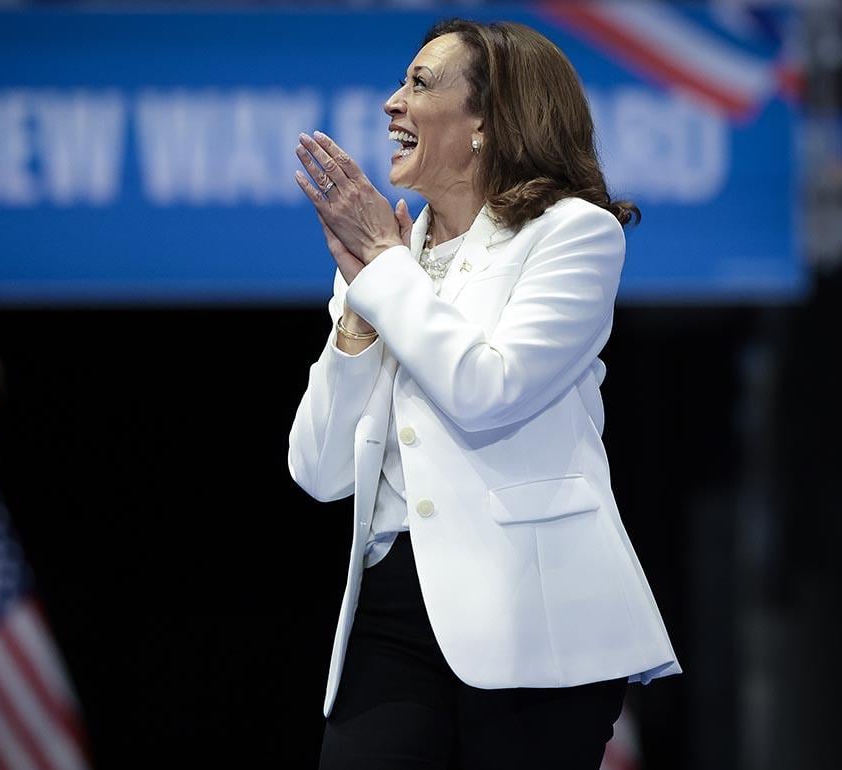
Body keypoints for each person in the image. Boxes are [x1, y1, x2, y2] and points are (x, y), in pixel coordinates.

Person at [287, 18, 683, 770]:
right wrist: (359, 324)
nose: (391, 103)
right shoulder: (388, 257)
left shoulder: (575, 235)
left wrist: (383, 270)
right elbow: (318, 469)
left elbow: (487, 390)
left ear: (486, 123)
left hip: (533, 611)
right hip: (390, 608)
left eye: (420, 83)